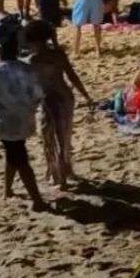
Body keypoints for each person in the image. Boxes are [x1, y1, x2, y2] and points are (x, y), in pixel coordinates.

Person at [0, 35, 47, 211]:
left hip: (5, 122)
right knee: (14, 153)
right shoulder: (27, 69)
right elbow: (39, 94)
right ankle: (8, 189)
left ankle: (37, 200)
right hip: (24, 120)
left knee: (18, 158)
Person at [24, 21, 91, 188]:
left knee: (49, 138)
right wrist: (86, 96)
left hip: (46, 99)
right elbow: (72, 76)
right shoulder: (59, 54)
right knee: (64, 136)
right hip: (64, 97)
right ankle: (65, 171)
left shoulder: (32, 60)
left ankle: (56, 175)